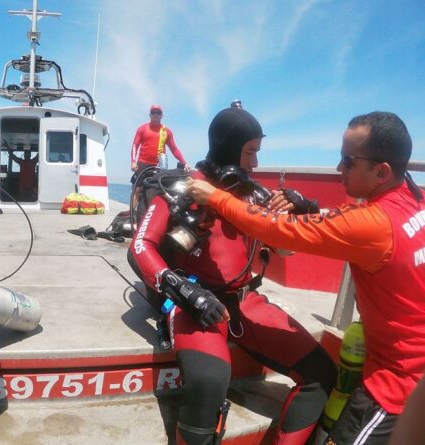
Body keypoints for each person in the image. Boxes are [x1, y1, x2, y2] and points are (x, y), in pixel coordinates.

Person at [187, 111, 425, 444]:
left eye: (347, 160)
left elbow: (278, 231)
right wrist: (309, 206)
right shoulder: (414, 198)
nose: (339, 167)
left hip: (396, 386)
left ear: (382, 171)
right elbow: (349, 220)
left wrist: (215, 197)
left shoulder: (375, 224)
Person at [129, 105, 336, 445]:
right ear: (228, 148)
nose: (255, 163)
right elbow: (140, 246)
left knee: (322, 373)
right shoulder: (183, 188)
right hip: (197, 303)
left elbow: (286, 250)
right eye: (250, 152)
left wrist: (299, 212)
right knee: (210, 382)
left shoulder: (252, 195)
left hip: (245, 301)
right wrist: (184, 292)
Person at [130, 105, 188, 210]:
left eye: (158, 113)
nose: (155, 115)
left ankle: (150, 214)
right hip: (142, 163)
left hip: (158, 166)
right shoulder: (142, 129)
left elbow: (174, 149)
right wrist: (133, 161)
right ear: (150, 115)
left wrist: (184, 162)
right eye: (153, 112)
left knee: (157, 189)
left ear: (162, 115)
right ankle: (131, 214)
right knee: (137, 190)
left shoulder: (166, 131)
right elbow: (135, 145)